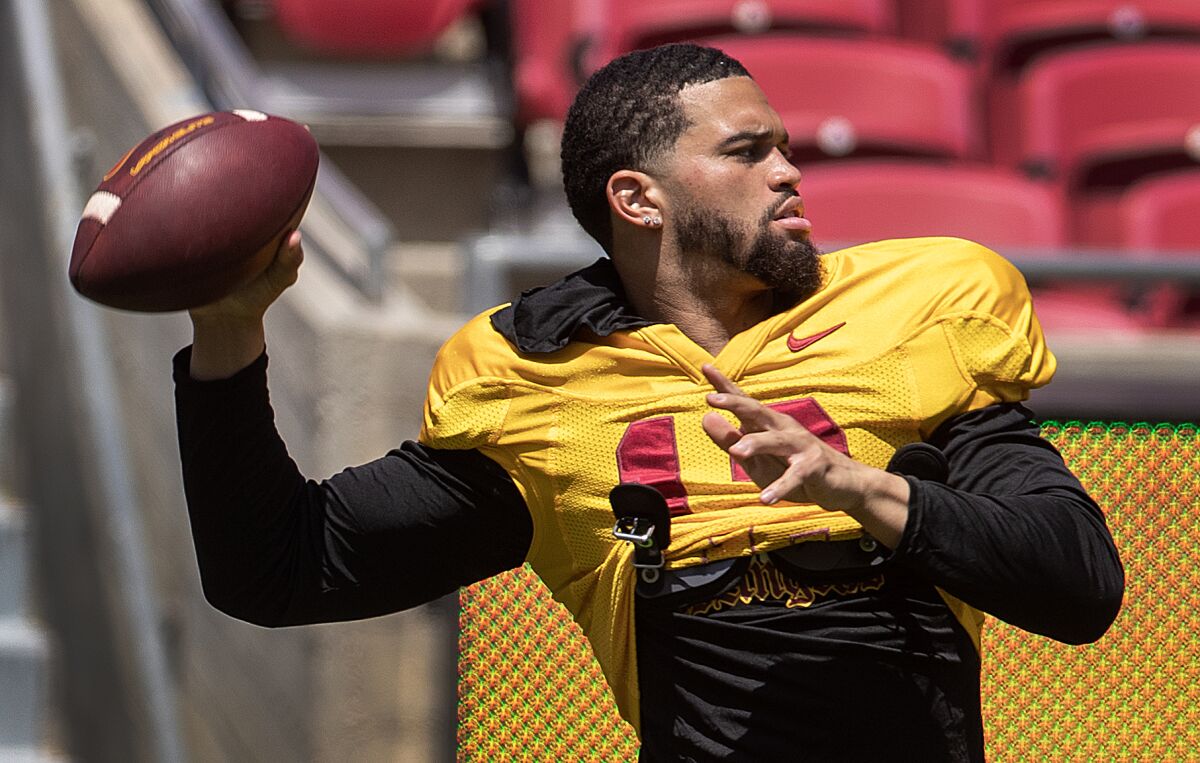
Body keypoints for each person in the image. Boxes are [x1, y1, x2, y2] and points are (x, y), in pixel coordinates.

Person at [175, 43, 1124, 761]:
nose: (790, 173)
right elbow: (279, 569)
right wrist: (229, 332)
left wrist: (863, 492)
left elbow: (1080, 584)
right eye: (748, 152)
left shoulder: (920, 310)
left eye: (785, 149)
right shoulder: (535, 381)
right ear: (637, 199)